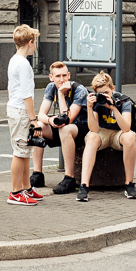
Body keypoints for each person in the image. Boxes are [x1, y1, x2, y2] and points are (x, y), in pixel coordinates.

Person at [77, 70, 136, 203]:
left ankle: (129, 184)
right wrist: (89, 107)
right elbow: (93, 129)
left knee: (130, 136)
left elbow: (126, 127)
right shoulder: (96, 103)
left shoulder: (124, 100)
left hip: (118, 134)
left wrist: (114, 108)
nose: (104, 96)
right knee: (92, 137)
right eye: (101, 94)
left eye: (106, 93)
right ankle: (84, 186)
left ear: (113, 88)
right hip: (102, 132)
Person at [31, 61, 88, 194]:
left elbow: (68, 119)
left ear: (69, 75)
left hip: (83, 129)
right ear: (51, 77)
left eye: (64, 75)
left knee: (65, 128)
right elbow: (40, 115)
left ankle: (69, 178)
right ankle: (37, 174)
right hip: (64, 127)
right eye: (57, 76)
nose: (61, 79)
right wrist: (50, 120)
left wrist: (61, 94)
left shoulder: (79, 90)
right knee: (37, 127)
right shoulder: (51, 87)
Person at [6, 23, 42, 205]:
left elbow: (10, 89)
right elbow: (27, 95)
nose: (35, 46)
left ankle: (26, 188)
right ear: (30, 42)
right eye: (35, 42)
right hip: (21, 111)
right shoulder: (24, 65)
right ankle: (15, 192)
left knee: (25, 150)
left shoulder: (14, 60)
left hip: (14, 108)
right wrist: (34, 119)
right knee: (20, 152)